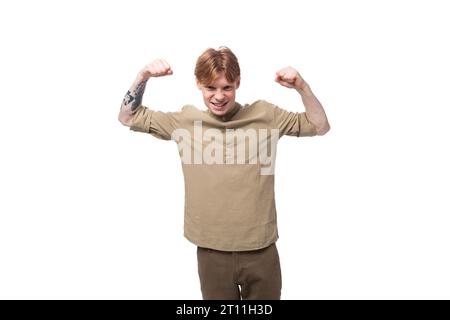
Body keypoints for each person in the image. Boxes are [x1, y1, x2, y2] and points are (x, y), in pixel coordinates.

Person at [118, 47, 330, 300]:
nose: (219, 96)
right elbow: (127, 117)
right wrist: (143, 76)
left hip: (261, 249)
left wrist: (302, 87)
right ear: (198, 84)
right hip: (211, 250)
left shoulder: (266, 115)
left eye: (227, 87)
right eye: (211, 88)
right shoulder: (186, 121)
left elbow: (320, 126)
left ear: (238, 83)